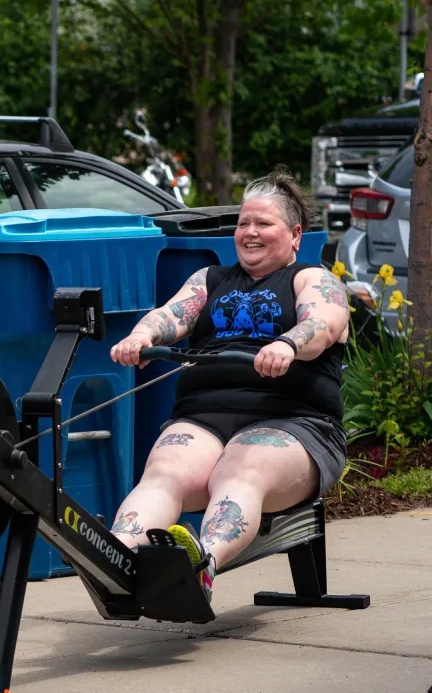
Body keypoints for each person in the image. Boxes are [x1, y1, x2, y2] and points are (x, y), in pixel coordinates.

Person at [107, 168, 349, 603]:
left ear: (295, 235)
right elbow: (170, 314)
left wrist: (289, 344)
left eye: (263, 224)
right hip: (205, 416)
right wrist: (141, 338)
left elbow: (324, 323)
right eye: (243, 224)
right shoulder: (210, 280)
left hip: (293, 422)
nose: (250, 233)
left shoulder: (311, 279)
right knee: (166, 472)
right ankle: (119, 560)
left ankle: (200, 566)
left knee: (239, 470)